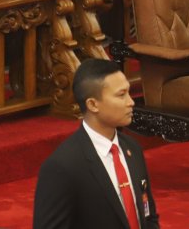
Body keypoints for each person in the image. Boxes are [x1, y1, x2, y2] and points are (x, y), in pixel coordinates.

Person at [33, 59, 160, 229]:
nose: (131, 102)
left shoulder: (132, 148)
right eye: (121, 95)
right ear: (92, 104)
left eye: (129, 93)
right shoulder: (62, 166)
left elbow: (148, 216)